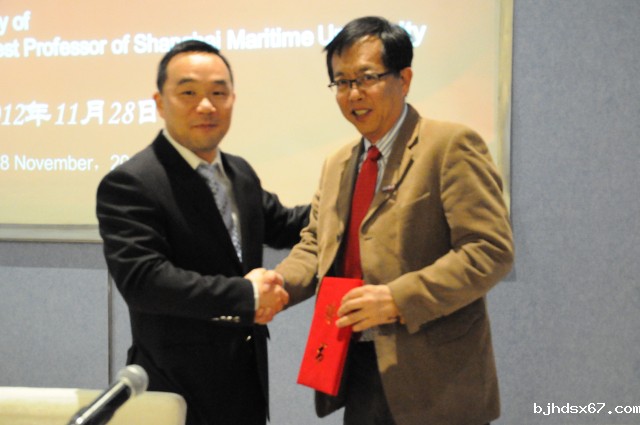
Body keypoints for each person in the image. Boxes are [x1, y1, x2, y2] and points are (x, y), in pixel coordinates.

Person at [271, 16, 514, 425]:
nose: (353, 93)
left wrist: (398, 299)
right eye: (342, 82)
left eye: (367, 78)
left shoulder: (450, 146)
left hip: (437, 379)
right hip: (358, 369)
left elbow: (489, 251)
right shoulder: (338, 163)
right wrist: (276, 285)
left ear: (404, 79)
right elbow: (315, 245)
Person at [96, 39, 309, 425]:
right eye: (189, 92)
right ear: (160, 102)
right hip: (174, 391)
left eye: (218, 93)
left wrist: (351, 194)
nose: (207, 105)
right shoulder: (132, 182)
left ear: (232, 100)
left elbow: (286, 224)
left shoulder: (239, 172)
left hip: (245, 386)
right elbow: (145, 281)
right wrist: (246, 294)